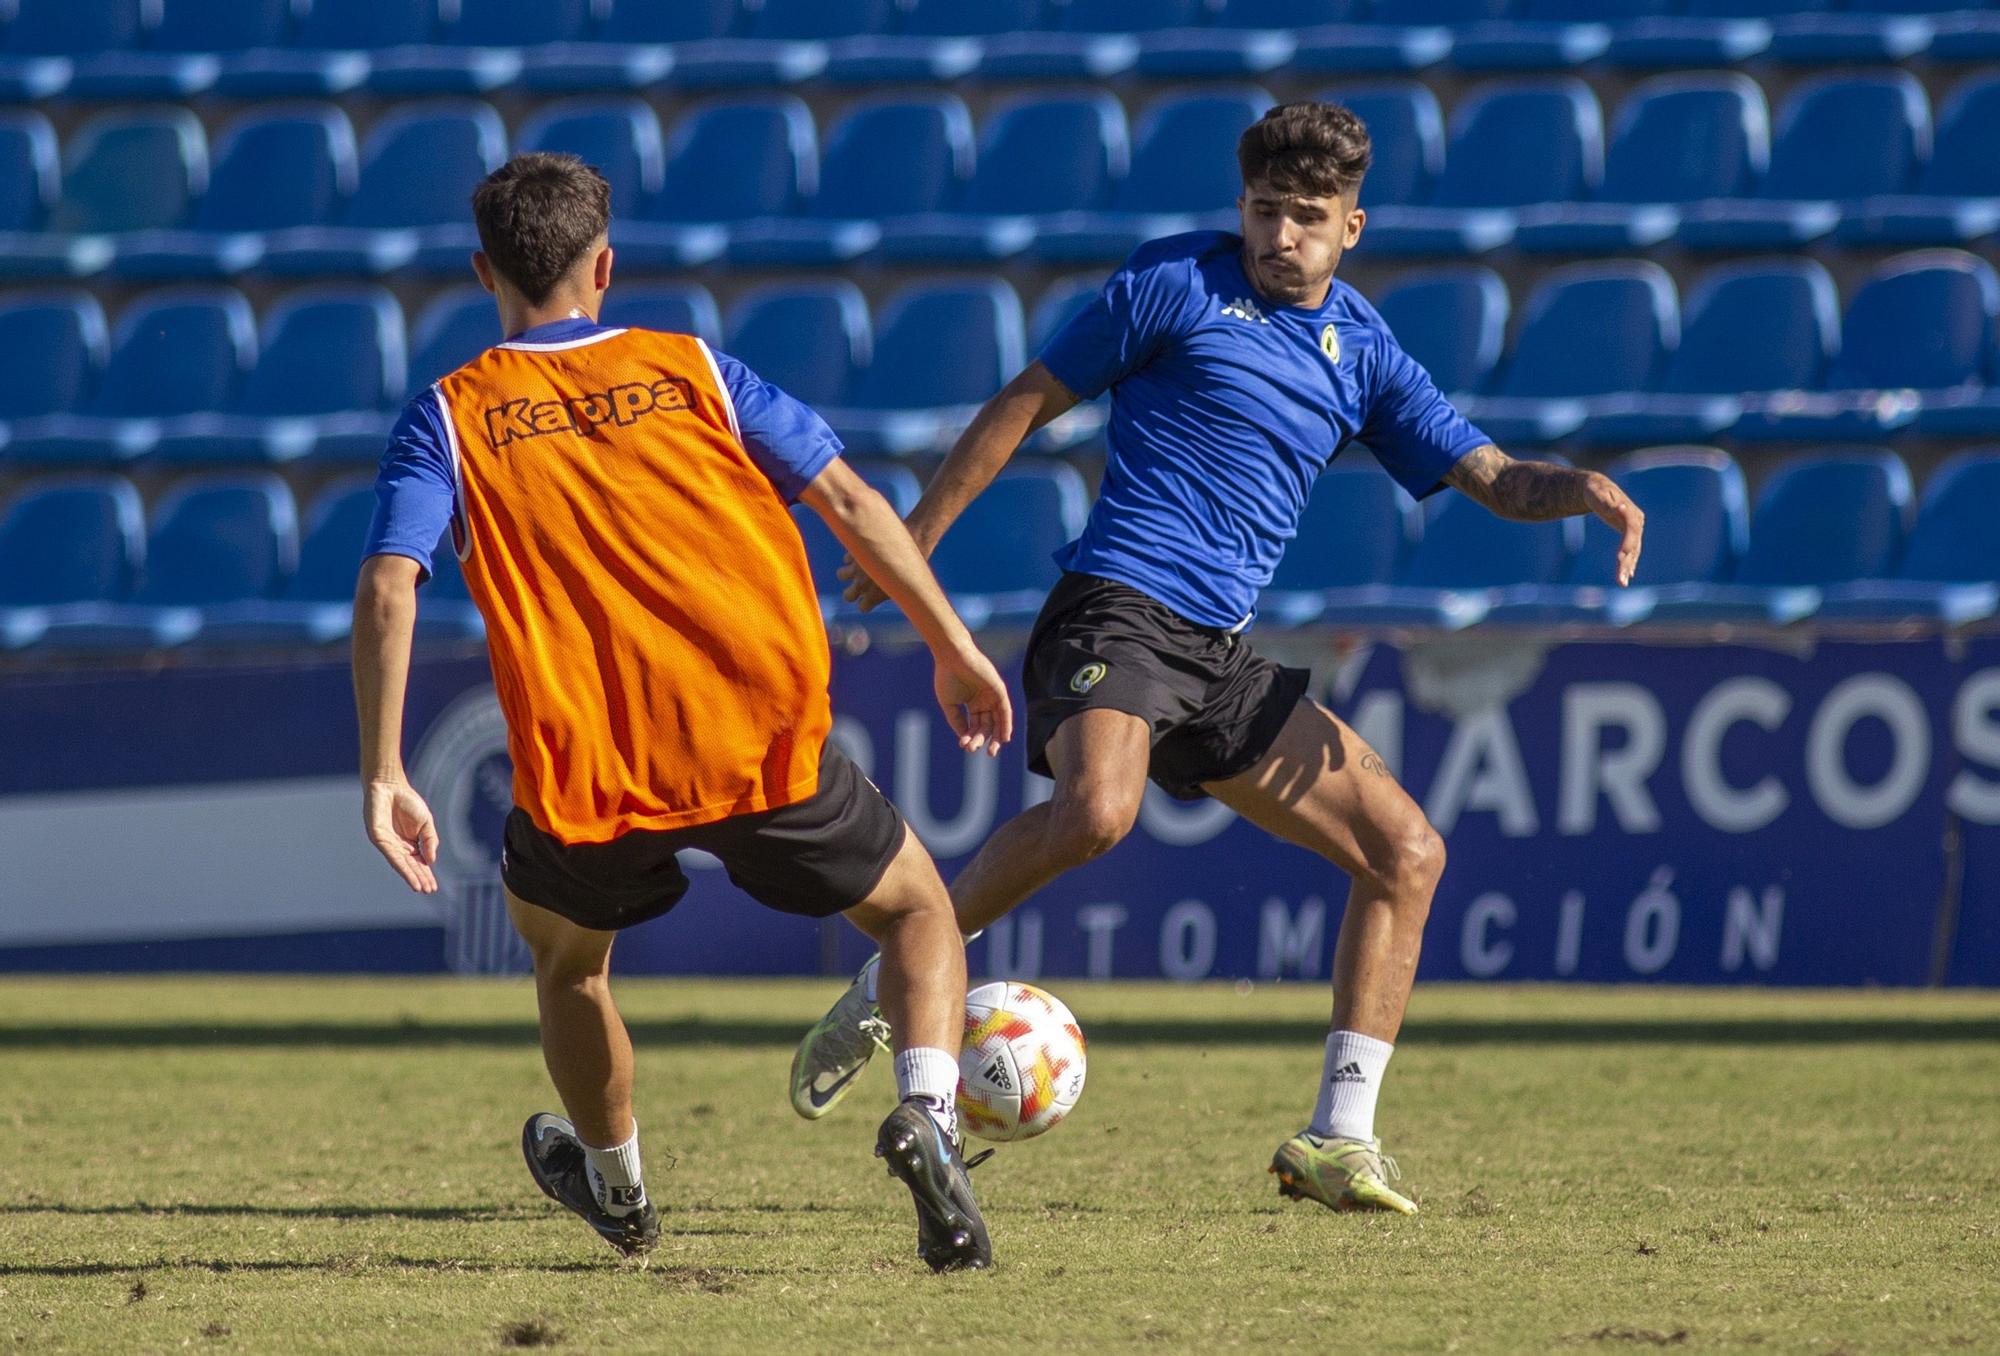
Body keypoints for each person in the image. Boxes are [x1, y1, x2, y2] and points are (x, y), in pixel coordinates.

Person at [790, 102, 1646, 1216]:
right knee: (1099, 815)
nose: (1278, 235)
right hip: (1116, 605)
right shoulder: (1173, 284)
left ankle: (1337, 1137)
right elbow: (1023, 402)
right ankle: (894, 977)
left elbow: (1486, 475)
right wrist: (919, 539)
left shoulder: (1363, 353)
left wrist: (1573, 488)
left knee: (1406, 852)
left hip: (1216, 652)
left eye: (1306, 217)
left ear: (1351, 228)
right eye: (1263, 211)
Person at [351, 152, 1012, 1271]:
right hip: (752, 735)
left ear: (483, 274)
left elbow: (386, 584)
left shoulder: (450, 417)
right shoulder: (699, 369)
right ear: (604, 266)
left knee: (570, 968)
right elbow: (848, 498)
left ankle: (618, 1190)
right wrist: (950, 643)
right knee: (918, 916)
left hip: (588, 766)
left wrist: (383, 770)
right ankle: (928, 1118)